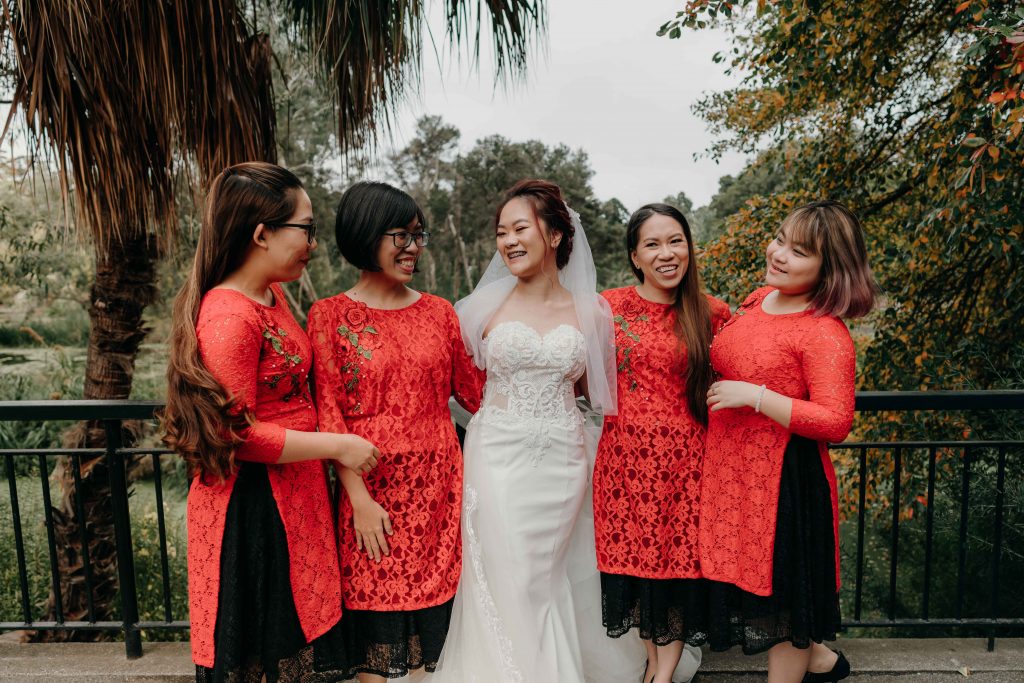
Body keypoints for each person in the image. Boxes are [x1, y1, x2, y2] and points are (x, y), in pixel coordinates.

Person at [163, 162, 379, 682]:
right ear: (262, 234)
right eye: (305, 228)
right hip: (254, 512)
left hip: (290, 498)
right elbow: (231, 435)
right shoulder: (230, 318)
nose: (313, 243)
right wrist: (339, 446)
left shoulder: (271, 296)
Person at [436, 179, 641, 683]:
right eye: (501, 232)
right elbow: (455, 387)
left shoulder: (592, 313)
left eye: (520, 228)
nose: (508, 241)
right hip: (498, 453)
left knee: (545, 575)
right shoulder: (476, 310)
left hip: (564, 459)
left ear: (554, 235)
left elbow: (599, 396)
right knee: (510, 572)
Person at [307, 181, 483, 682]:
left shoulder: (440, 312)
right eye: (400, 237)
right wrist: (357, 498)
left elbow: (476, 394)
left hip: (440, 492)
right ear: (365, 234)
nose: (414, 248)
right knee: (378, 641)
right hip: (373, 496)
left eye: (418, 235)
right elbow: (331, 412)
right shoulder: (330, 316)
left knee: (435, 641)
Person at [698, 200, 879, 683]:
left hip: (787, 482)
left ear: (829, 267)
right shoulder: (758, 300)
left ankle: (805, 664)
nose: (778, 253)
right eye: (780, 238)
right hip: (737, 474)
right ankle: (821, 662)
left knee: (784, 606)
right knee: (766, 596)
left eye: (799, 251)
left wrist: (756, 396)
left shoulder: (825, 332)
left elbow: (836, 421)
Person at [594, 203, 729, 683]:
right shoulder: (606, 307)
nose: (666, 253)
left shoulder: (713, 313)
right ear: (635, 255)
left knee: (676, 572)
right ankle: (654, 665)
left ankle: (662, 674)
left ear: (690, 248)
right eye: (652, 244)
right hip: (623, 466)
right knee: (639, 574)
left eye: (675, 241)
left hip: (688, 466)